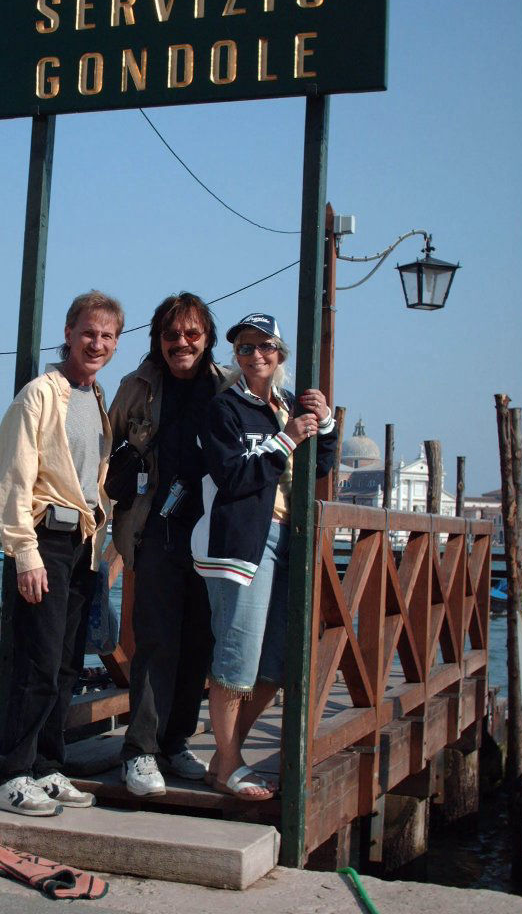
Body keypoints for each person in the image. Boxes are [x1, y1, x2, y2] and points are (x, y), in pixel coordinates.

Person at [191, 312, 337, 799]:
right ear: (235, 355)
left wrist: (327, 425)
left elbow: (320, 466)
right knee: (235, 657)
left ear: (281, 354)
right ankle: (231, 763)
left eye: (265, 347)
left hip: (288, 540)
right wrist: (289, 437)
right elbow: (233, 476)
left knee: (276, 662)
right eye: (245, 348)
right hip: (239, 545)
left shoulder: (288, 406)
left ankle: (223, 757)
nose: (256, 356)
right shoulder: (224, 409)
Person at [0, 290, 124, 817]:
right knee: (37, 663)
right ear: (68, 334)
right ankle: (9, 775)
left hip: (84, 545)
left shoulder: (95, 398)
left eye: (107, 336)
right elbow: (15, 478)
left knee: (67, 665)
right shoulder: (39, 395)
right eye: (88, 333)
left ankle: (47, 767)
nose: (96, 343)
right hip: (45, 541)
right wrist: (24, 553)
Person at [108, 292, 234, 796]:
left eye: (192, 334)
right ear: (158, 338)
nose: (181, 343)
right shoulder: (136, 388)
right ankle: (139, 752)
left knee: (199, 644)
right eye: (171, 334)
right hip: (156, 531)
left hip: (214, 537)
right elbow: (104, 449)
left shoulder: (231, 388)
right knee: (156, 642)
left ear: (206, 339)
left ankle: (175, 742)